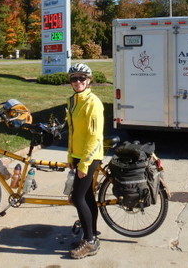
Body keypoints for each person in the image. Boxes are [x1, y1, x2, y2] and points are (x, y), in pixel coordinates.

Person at [65, 63, 104, 259]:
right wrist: (71, 156)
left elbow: (94, 137)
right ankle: (92, 235)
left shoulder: (93, 103)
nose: (78, 81)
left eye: (82, 78)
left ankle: (90, 242)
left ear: (89, 80)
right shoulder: (73, 101)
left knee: (78, 198)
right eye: (74, 78)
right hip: (79, 155)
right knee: (87, 197)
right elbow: (72, 132)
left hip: (90, 157)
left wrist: (84, 164)